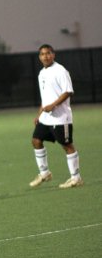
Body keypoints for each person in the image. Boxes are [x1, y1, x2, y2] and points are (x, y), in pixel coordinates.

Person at [30, 44, 83, 189]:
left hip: (61, 117)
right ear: (39, 57)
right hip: (46, 118)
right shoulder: (42, 73)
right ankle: (44, 173)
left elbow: (68, 91)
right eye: (42, 54)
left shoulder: (60, 70)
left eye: (48, 53)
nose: (45, 56)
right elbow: (45, 96)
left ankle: (76, 178)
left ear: (53, 54)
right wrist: (40, 113)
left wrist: (53, 105)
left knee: (67, 145)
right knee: (36, 141)